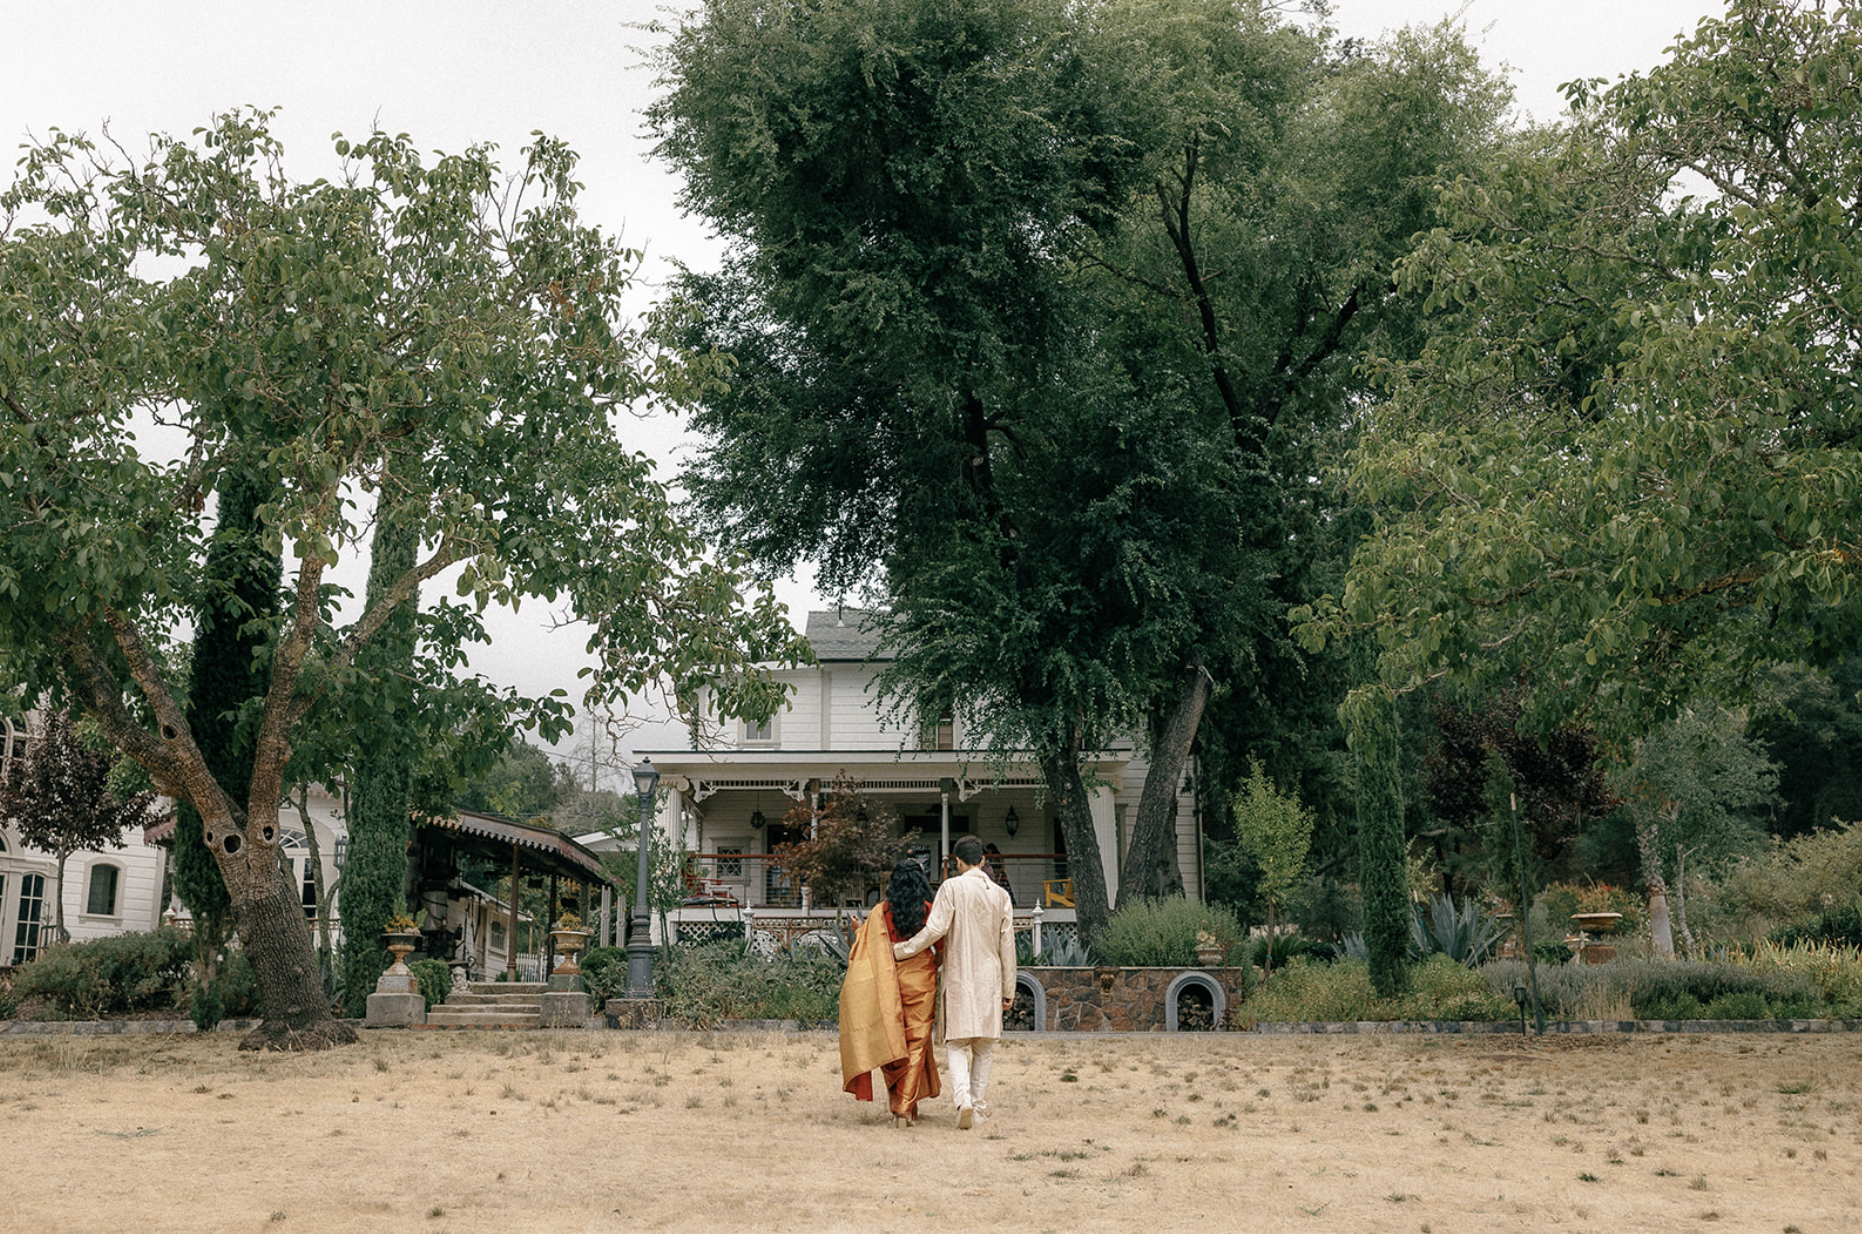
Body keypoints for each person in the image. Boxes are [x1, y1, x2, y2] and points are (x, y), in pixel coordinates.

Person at [893, 833, 1016, 1129]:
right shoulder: (1000, 895)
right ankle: (979, 1105)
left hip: (960, 976)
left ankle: (963, 1101)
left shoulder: (951, 888)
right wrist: (1009, 988)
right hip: (990, 980)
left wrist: (901, 951)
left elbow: (934, 930)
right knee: (984, 1048)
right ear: (983, 860)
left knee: (957, 1044)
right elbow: (1007, 946)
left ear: (958, 861)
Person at [838, 858, 942, 1125]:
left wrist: (857, 930)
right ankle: (904, 1107)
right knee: (916, 1043)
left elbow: (868, 946)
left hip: (888, 981)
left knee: (891, 1041)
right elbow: (940, 947)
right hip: (921, 980)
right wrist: (932, 967)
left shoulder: (880, 911)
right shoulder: (930, 910)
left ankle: (901, 1103)